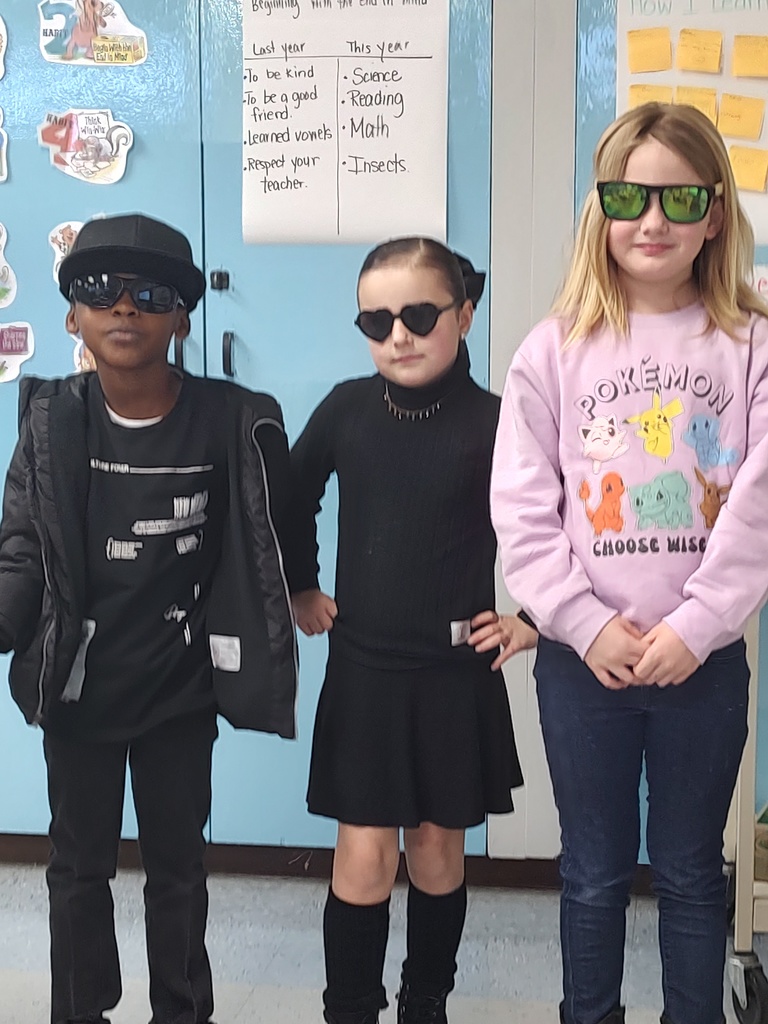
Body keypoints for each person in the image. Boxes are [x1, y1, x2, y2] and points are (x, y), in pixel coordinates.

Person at [490, 101, 768, 1024]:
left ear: (715, 213)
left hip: (705, 661)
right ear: (600, 209)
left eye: (679, 197)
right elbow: (525, 511)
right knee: (594, 873)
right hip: (582, 664)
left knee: (691, 871)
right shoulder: (553, 349)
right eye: (629, 195)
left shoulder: (751, 343)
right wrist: (583, 621)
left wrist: (696, 627)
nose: (652, 221)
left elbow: (760, 504)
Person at [0, 213, 297, 1024]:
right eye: (100, 291)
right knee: (77, 869)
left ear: (181, 317)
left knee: (179, 872)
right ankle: (80, 1011)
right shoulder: (51, 419)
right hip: (80, 687)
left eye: (150, 294)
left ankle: (181, 1010)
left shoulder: (230, 417)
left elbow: (277, 520)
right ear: (72, 316)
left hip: (179, 691)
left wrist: (300, 595)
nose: (124, 308)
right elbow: (22, 547)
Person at [286, 237, 537, 1024]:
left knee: (435, 850)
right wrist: (301, 584)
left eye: (419, 315)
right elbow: (288, 497)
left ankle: (425, 1000)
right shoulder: (345, 409)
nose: (398, 335)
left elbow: (557, 525)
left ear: (464, 314)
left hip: (455, 675)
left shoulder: (501, 423)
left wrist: (533, 618)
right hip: (365, 671)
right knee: (363, 854)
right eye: (376, 319)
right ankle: (350, 1009)